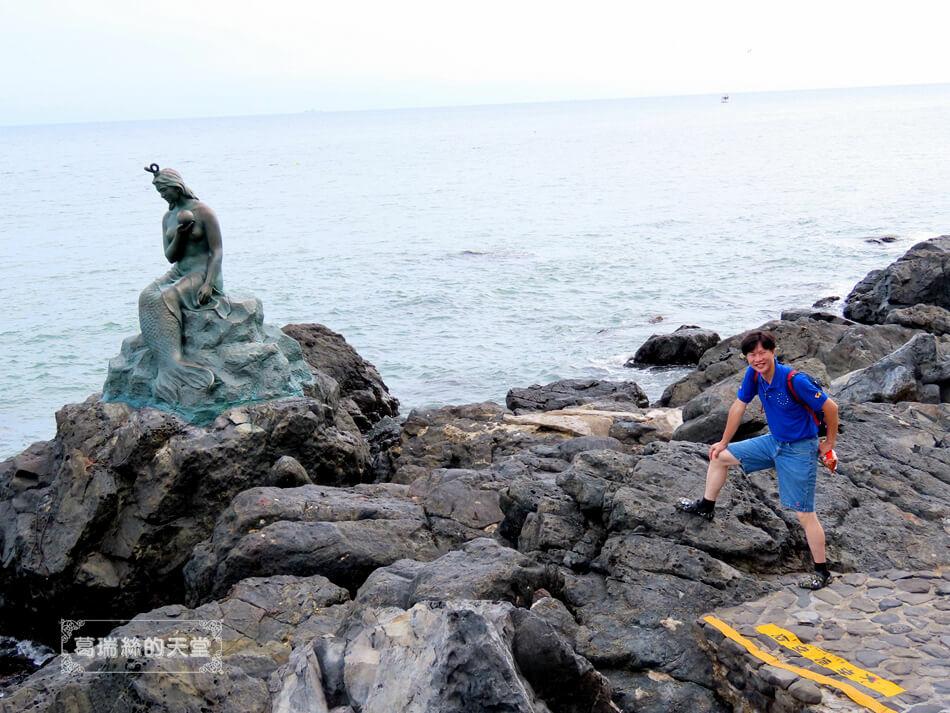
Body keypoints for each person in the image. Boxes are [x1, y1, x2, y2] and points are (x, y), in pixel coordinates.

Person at [676, 329, 839, 590]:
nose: (757, 358)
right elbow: (739, 406)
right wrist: (724, 441)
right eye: (752, 354)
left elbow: (831, 408)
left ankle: (821, 571)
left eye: (762, 353)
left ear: (773, 352)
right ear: (746, 357)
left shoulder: (794, 380)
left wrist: (829, 443)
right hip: (773, 442)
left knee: (804, 513)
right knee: (719, 457)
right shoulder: (754, 374)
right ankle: (706, 507)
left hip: (799, 448)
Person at [139, 164, 229, 403]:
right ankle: (167, 362)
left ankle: (176, 362)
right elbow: (170, 256)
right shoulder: (168, 217)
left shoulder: (203, 211)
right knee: (147, 296)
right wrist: (179, 232)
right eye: (159, 193)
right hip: (180, 269)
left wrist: (209, 284)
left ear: (176, 187)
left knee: (167, 296)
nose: (162, 196)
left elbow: (217, 251)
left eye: (164, 191)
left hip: (202, 271)